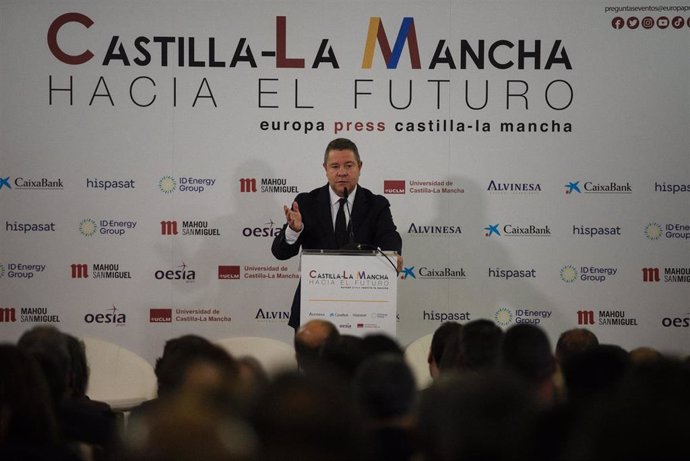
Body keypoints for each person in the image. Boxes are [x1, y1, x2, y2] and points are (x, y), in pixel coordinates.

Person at [271, 138, 403, 330]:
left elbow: (389, 236)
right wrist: (294, 230)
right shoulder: (306, 203)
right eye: (335, 166)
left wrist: (394, 254)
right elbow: (280, 253)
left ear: (360, 166)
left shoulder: (376, 204)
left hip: (363, 311)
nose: (342, 172)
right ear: (325, 168)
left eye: (349, 165)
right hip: (313, 309)